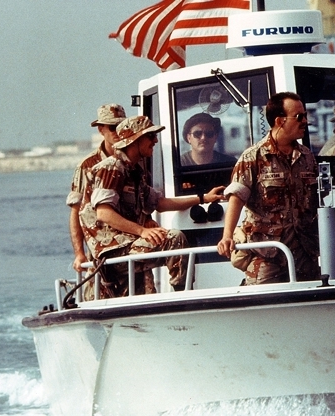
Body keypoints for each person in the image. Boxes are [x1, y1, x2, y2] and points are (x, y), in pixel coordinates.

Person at [80, 115, 225, 297]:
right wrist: (142, 231)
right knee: (174, 239)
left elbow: (160, 203)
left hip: (127, 246)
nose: (155, 141)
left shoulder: (135, 172)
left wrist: (203, 198)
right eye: (150, 137)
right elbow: (103, 213)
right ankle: (183, 296)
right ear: (134, 140)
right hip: (112, 250)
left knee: (145, 297)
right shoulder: (112, 168)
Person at [216, 92, 320, 285]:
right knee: (263, 306)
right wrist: (227, 236)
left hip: (304, 251)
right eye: (299, 117)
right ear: (280, 121)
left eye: (305, 115)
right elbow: (236, 198)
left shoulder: (307, 157)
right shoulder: (253, 157)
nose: (305, 121)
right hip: (267, 252)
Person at [66, 104, 126, 272]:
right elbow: (76, 211)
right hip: (100, 248)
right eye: (113, 127)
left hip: (130, 243)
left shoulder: (136, 160)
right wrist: (79, 253)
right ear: (101, 130)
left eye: (122, 126)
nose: (119, 131)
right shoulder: (87, 166)